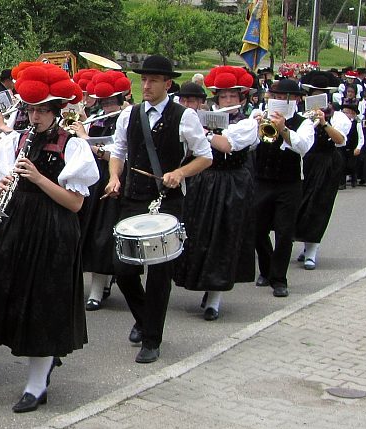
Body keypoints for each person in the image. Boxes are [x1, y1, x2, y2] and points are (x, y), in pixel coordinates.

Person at [0, 60, 95, 412]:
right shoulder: (16, 140)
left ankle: (36, 384)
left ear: (56, 111)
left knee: (44, 302)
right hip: (18, 226)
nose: (34, 118)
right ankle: (42, 365)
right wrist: (3, 181)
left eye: (41, 112)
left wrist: (38, 178)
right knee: (17, 295)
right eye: (30, 110)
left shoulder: (72, 146)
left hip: (54, 230)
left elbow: (75, 203)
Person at [103, 55, 212, 363]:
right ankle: (143, 317)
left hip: (167, 200)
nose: (146, 85)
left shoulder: (185, 117)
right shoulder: (130, 114)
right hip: (134, 199)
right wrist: (114, 176)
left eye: (152, 81)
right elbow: (118, 150)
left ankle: (152, 338)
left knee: (160, 273)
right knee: (122, 268)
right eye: (143, 80)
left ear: (167, 84)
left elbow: (205, 157)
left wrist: (180, 173)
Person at [175, 66, 257, 321]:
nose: (228, 101)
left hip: (231, 183)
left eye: (233, 97)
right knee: (197, 233)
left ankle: (215, 298)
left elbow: (226, 145)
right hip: (205, 180)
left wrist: (203, 132)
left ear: (242, 99)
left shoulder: (247, 123)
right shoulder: (206, 117)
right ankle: (199, 282)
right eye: (223, 97)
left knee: (223, 237)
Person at [68, 70, 131, 311]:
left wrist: (85, 138)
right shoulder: (96, 117)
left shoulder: (125, 118)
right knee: (87, 230)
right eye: (104, 102)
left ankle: (97, 288)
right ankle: (100, 283)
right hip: (90, 179)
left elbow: (116, 153)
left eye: (112, 102)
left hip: (111, 177)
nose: (107, 106)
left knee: (102, 234)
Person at [252, 79, 315, 297]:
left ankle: (279, 279)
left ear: (295, 99)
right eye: (275, 96)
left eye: (283, 97)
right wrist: (255, 124)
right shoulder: (261, 115)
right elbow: (249, 144)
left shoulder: (304, 122)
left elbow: (303, 147)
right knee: (256, 230)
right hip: (262, 180)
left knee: (284, 232)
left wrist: (284, 130)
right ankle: (267, 269)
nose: (278, 100)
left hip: (289, 184)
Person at [294, 71, 349, 271]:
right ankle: (304, 244)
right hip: (305, 162)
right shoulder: (301, 115)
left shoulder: (339, 117)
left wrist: (324, 123)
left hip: (327, 163)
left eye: (321, 94)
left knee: (319, 206)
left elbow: (340, 141)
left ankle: (312, 251)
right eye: (313, 93)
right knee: (300, 205)